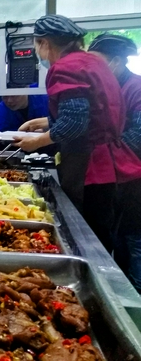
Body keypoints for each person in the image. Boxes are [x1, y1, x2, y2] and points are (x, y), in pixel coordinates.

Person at [14, 14, 141, 253]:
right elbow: (92, 112)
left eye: (36, 45)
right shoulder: (93, 63)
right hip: (109, 165)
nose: (38, 52)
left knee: (87, 238)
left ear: (44, 43)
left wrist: (36, 142)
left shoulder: (66, 68)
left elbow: (74, 124)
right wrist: (48, 122)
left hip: (89, 167)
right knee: (102, 235)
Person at [88, 33, 141, 291]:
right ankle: (122, 292)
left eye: (98, 62)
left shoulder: (136, 88)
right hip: (118, 178)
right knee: (119, 240)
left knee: (134, 242)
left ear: (116, 62)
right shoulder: (109, 87)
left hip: (135, 181)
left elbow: (138, 135)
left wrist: (106, 148)